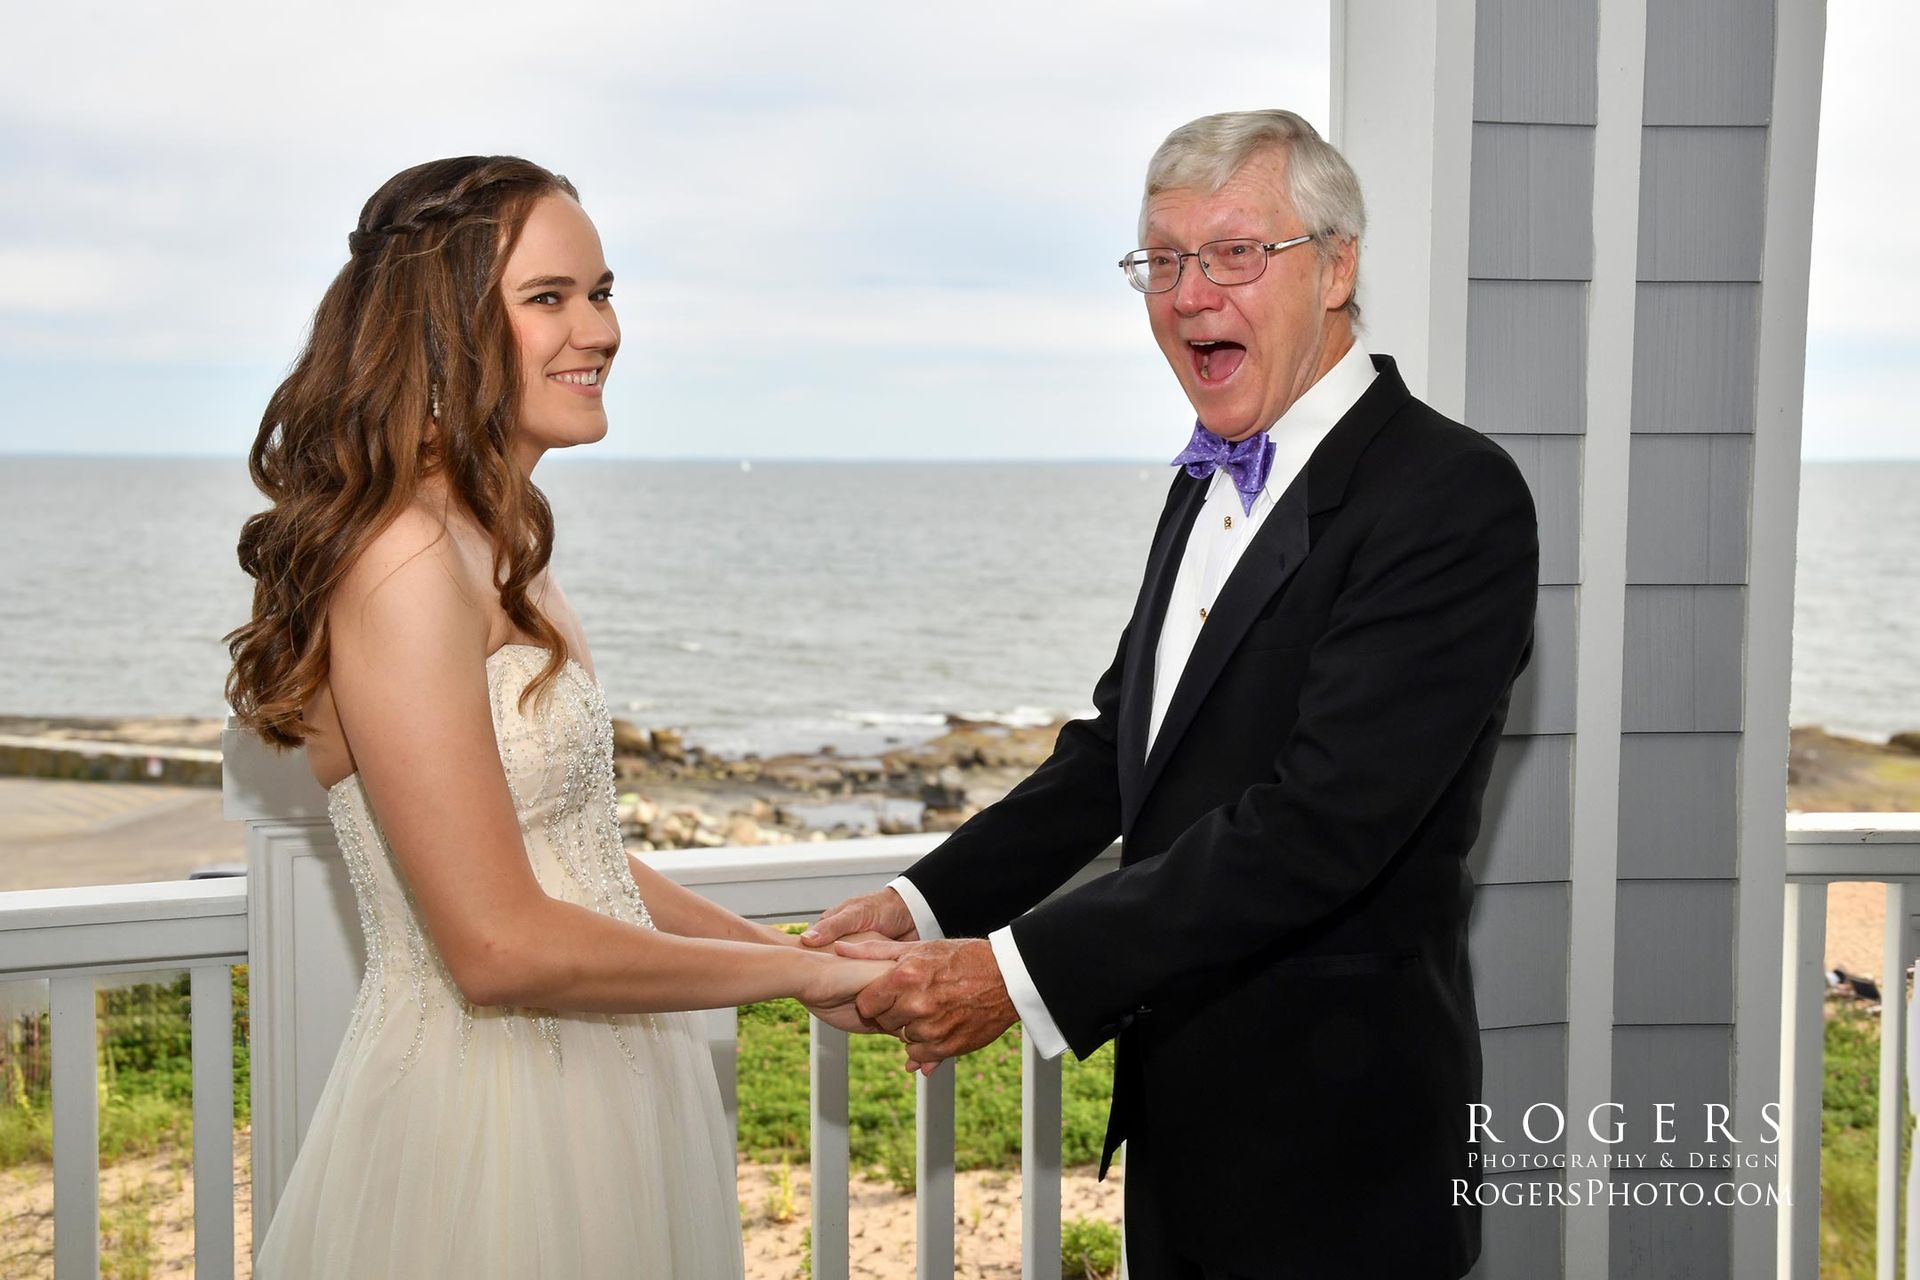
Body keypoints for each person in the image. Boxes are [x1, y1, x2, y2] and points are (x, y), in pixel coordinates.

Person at [807, 110, 1539, 1278]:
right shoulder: (1202, 480)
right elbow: (1118, 749)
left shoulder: (1451, 494)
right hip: (1186, 1125)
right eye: (1163, 258)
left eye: (1237, 252)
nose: (1192, 293)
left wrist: (1014, 971)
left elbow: (1319, 825)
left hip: (1340, 1149)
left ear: (1337, 265)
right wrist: (923, 902)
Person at [225, 156, 891, 1278]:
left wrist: (800, 952)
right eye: (549, 298)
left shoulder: (501, 540)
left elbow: (575, 858)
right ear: (441, 329)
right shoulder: (406, 558)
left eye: (602, 289)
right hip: (490, 1121)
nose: (600, 327)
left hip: (603, 1090)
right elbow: (494, 945)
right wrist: (800, 978)